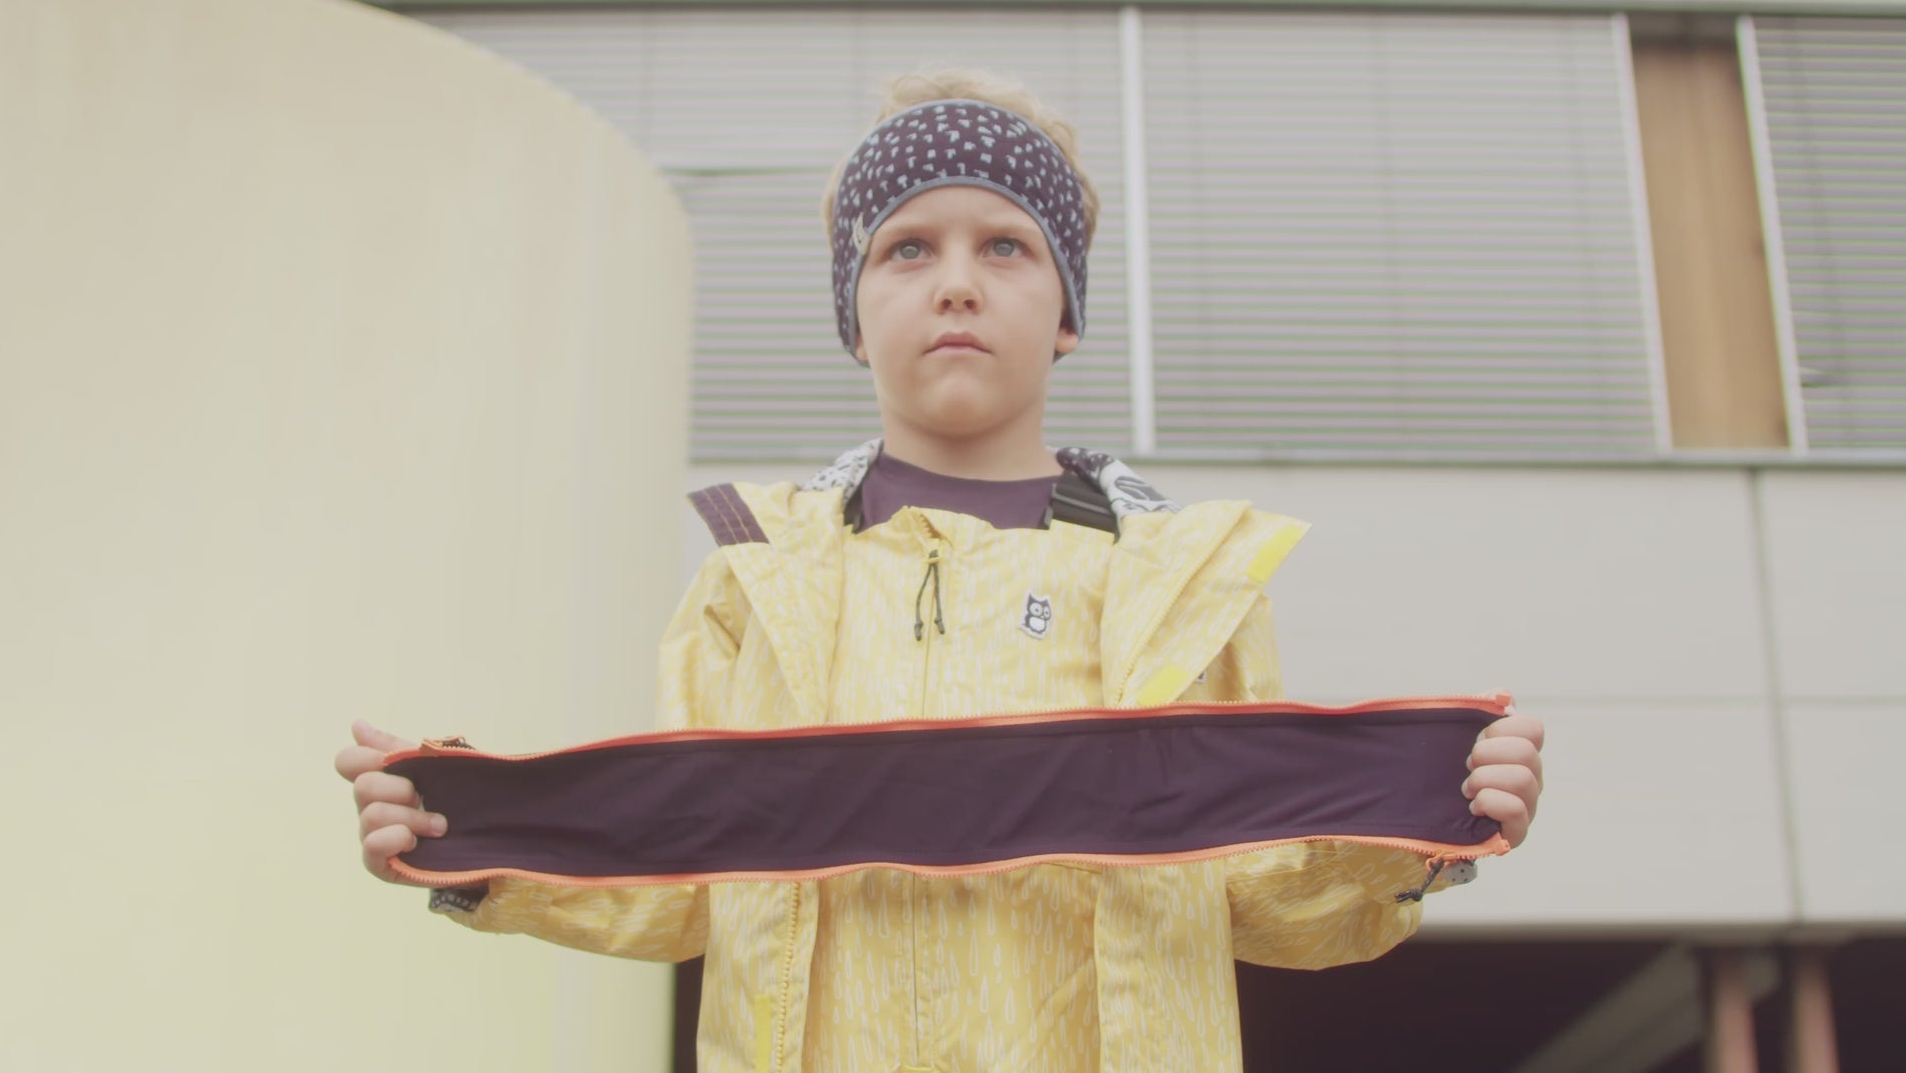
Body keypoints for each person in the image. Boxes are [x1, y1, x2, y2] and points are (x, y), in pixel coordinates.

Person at [336, 69, 1546, 1073]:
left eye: (1005, 246)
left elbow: (1266, 897)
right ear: (852, 314)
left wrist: (1426, 829)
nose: (956, 280)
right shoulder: (751, 579)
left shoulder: (1188, 585)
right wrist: (469, 840)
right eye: (906, 248)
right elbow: (682, 875)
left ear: (1065, 311)